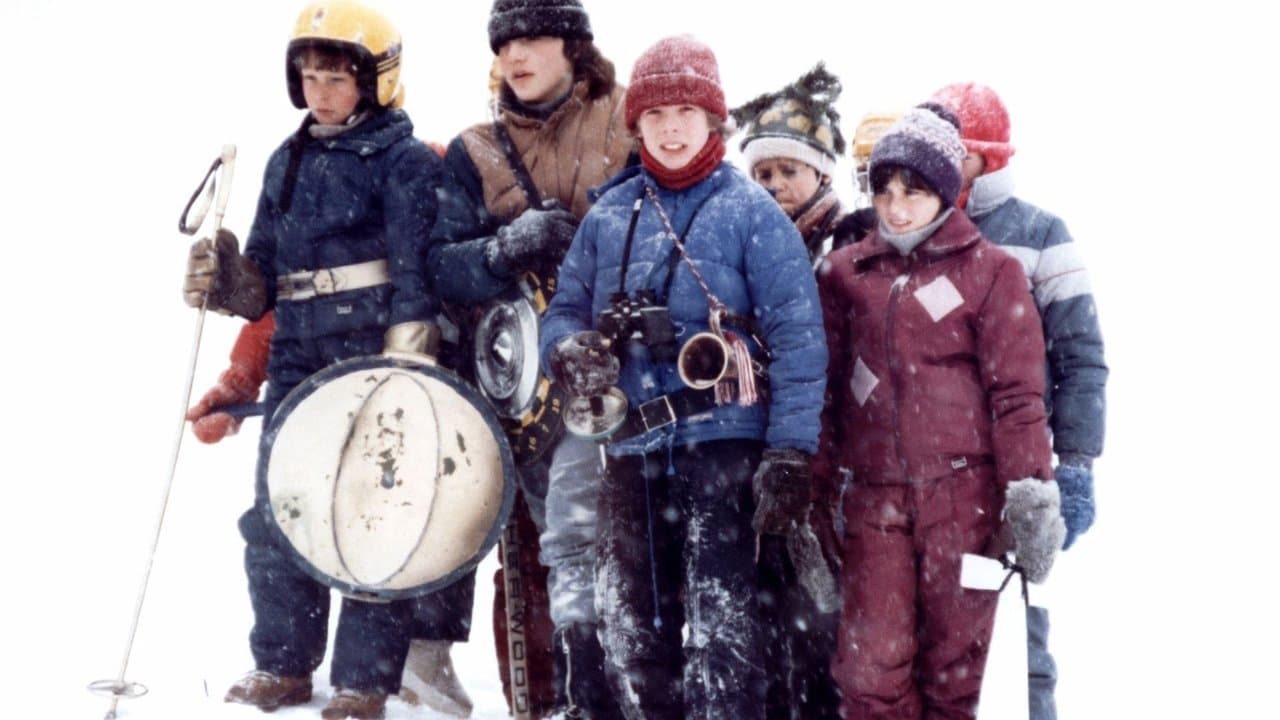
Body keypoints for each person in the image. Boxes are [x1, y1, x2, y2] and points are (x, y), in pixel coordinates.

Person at [539, 35, 828, 720]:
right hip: (630, 449)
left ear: (713, 120)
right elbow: (563, 312)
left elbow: (799, 339)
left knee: (723, 632)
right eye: (656, 115)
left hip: (724, 447)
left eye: (685, 113)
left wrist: (790, 452)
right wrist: (571, 349)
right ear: (636, 123)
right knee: (632, 632)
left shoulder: (752, 213)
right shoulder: (609, 215)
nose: (671, 130)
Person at [180, 2, 447, 718]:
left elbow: (416, 270)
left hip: (374, 352)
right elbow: (264, 277)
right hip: (298, 353)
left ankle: (364, 679)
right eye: (308, 77)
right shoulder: (286, 160)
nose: (320, 92)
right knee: (283, 506)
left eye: (335, 77)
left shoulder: (405, 162)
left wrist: (407, 359)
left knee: (374, 512)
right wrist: (229, 278)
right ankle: (283, 663)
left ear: (376, 80)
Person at [815, 104, 1066, 720]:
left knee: (956, 673)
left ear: (946, 192)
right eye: (884, 190)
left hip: (965, 499)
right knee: (870, 669)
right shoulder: (845, 274)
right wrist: (813, 489)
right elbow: (821, 393)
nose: (897, 206)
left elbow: (1017, 397)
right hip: (875, 498)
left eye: (915, 191)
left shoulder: (993, 272)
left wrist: (1029, 491)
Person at [425, 1, 634, 716]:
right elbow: (438, 266)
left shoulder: (634, 122)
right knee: (525, 561)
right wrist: (502, 250)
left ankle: (613, 698)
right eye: (504, 42)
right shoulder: (474, 150)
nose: (516, 55)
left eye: (533, 37)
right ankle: (542, 703)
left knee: (620, 551)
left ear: (573, 44)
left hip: (622, 376)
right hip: (515, 388)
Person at [930, 81, 1108, 720]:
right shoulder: (913, 226)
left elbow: (1081, 358)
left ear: (990, 156)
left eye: (958, 152)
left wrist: (1076, 464)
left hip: (1015, 470)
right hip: (925, 470)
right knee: (929, 647)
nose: (944, 163)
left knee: (1016, 642)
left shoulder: (1039, 233)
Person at [731, 61, 848, 719]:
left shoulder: (847, 247)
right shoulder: (743, 247)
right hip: (761, 456)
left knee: (827, 622)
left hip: (832, 462)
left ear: (822, 175)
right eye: (763, 173)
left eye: (788, 171)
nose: (774, 185)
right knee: (769, 618)